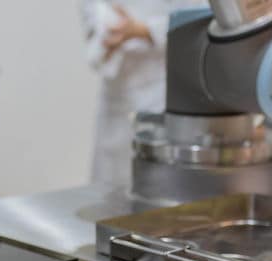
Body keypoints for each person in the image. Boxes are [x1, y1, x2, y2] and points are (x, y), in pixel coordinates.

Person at [82, 0, 205, 188]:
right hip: (116, 95)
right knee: (109, 189)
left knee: (160, 187)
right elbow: (91, 12)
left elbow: (199, 18)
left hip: (161, 91)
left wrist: (143, 30)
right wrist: (104, 36)